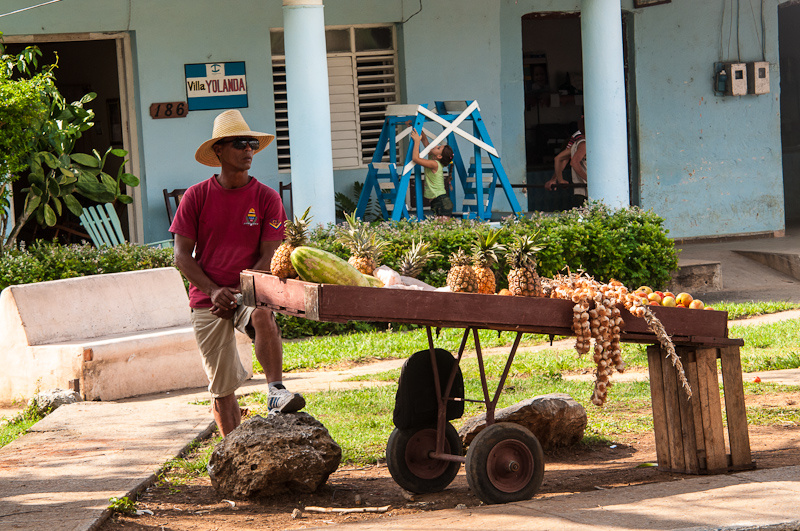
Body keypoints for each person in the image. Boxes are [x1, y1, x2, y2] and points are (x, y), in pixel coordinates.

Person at [169, 109, 304, 437]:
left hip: (249, 289)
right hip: (208, 299)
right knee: (222, 387)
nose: (248, 150)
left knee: (262, 313)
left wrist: (238, 291)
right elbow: (181, 256)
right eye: (239, 144)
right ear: (218, 151)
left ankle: (275, 390)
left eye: (251, 145)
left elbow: (270, 253)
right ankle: (232, 449)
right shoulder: (196, 197)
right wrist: (216, 291)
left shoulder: (267, 198)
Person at [410, 128, 454, 217]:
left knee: (442, 227)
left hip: (441, 201)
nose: (436, 145)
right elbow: (424, 139)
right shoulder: (433, 158)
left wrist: (416, 141)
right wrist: (416, 128)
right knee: (441, 227)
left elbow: (416, 159)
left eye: (438, 148)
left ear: (439, 156)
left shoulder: (435, 164)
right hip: (438, 201)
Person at [544, 116, 587, 209]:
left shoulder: (579, 141)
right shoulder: (582, 142)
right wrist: (556, 179)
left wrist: (559, 179)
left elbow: (559, 158)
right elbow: (571, 161)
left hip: (579, 190)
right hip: (586, 189)